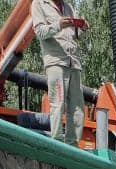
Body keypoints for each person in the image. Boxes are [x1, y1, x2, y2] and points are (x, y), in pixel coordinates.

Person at [31, 0, 87, 146]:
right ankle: (56, 143)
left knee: (78, 107)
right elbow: (40, 32)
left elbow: (76, 35)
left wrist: (82, 28)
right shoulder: (38, 4)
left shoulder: (68, 7)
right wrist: (58, 25)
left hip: (73, 62)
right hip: (55, 61)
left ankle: (72, 146)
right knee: (58, 103)